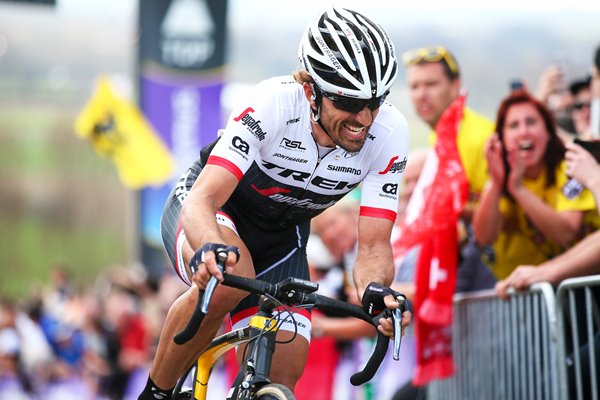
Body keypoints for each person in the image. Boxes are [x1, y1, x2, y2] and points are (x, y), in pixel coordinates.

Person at [138, 7, 412, 399]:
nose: (364, 118)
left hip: (282, 239)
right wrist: (207, 245)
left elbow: (372, 245)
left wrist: (375, 289)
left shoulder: (389, 134)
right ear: (310, 91)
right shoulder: (274, 104)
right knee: (232, 273)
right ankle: (156, 393)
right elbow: (203, 198)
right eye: (348, 103)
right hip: (215, 212)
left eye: (375, 101)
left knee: (283, 375)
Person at [473, 90, 599, 280]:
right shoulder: (507, 181)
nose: (524, 131)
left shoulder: (570, 167)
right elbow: (484, 237)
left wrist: (519, 190)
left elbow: (565, 233)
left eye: (531, 122)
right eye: (514, 125)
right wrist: (495, 182)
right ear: (501, 139)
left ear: (548, 132)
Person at [402, 45, 495, 222]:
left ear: (455, 86)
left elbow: (504, 216)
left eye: (431, 84)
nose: (421, 95)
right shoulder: (439, 134)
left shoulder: (482, 138)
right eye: (414, 86)